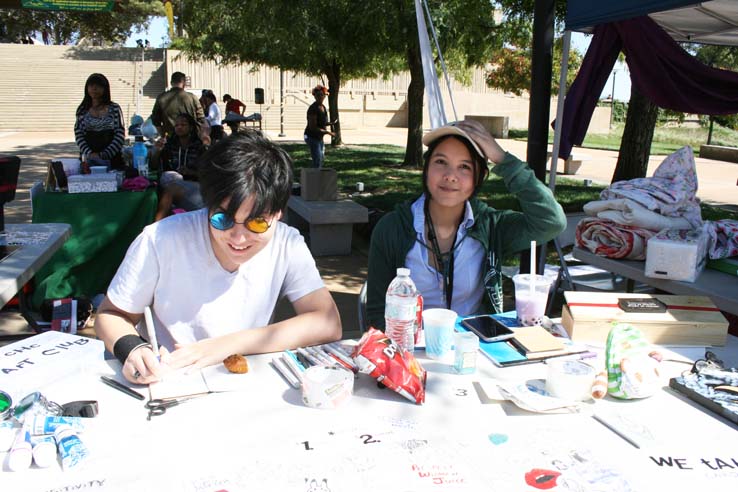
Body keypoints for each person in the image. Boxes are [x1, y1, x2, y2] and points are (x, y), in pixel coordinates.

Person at [94, 131, 342, 384]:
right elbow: (111, 315)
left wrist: (222, 347)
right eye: (222, 219)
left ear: (278, 213)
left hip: (242, 382)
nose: (239, 238)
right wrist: (133, 349)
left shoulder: (287, 243)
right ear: (207, 205)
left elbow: (327, 323)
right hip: (170, 380)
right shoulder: (161, 239)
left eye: (256, 223)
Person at [366, 119, 567, 328]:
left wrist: (503, 159)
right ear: (426, 168)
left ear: (478, 177)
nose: (450, 176)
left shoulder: (490, 226)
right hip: (410, 348)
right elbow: (377, 312)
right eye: (441, 162)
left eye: (464, 167)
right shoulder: (392, 228)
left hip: (473, 346)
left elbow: (551, 221)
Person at [154, 113, 208, 221]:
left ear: (191, 127)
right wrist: (157, 152)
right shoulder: (170, 145)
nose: (179, 127)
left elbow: (208, 174)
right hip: (174, 183)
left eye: (183, 125)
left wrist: (190, 172)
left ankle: (157, 226)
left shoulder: (199, 147)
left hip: (196, 188)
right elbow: (154, 166)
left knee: (170, 190)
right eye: (177, 125)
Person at [74, 73, 126, 170]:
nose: (94, 88)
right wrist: (90, 154)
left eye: (98, 86)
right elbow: (79, 134)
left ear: (105, 88)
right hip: (88, 161)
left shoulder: (114, 108)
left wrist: (104, 155)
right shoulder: (82, 110)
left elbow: (120, 134)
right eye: (91, 85)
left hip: (112, 160)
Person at [151, 71, 206, 138]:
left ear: (171, 83)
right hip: (191, 137)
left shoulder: (161, 98)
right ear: (184, 83)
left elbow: (155, 120)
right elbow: (201, 119)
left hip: (171, 137)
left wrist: (162, 135)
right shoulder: (192, 97)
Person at [303, 84, 334, 168]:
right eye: (318, 95)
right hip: (311, 137)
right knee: (317, 160)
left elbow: (322, 122)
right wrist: (328, 132)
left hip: (319, 137)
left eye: (322, 95)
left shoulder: (323, 107)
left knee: (320, 158)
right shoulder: (313, 108)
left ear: (325, 96)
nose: (320, 96)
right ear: (314, 96)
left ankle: (317, 176)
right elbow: (313, 127)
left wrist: (329, 123)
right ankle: (315, 178)